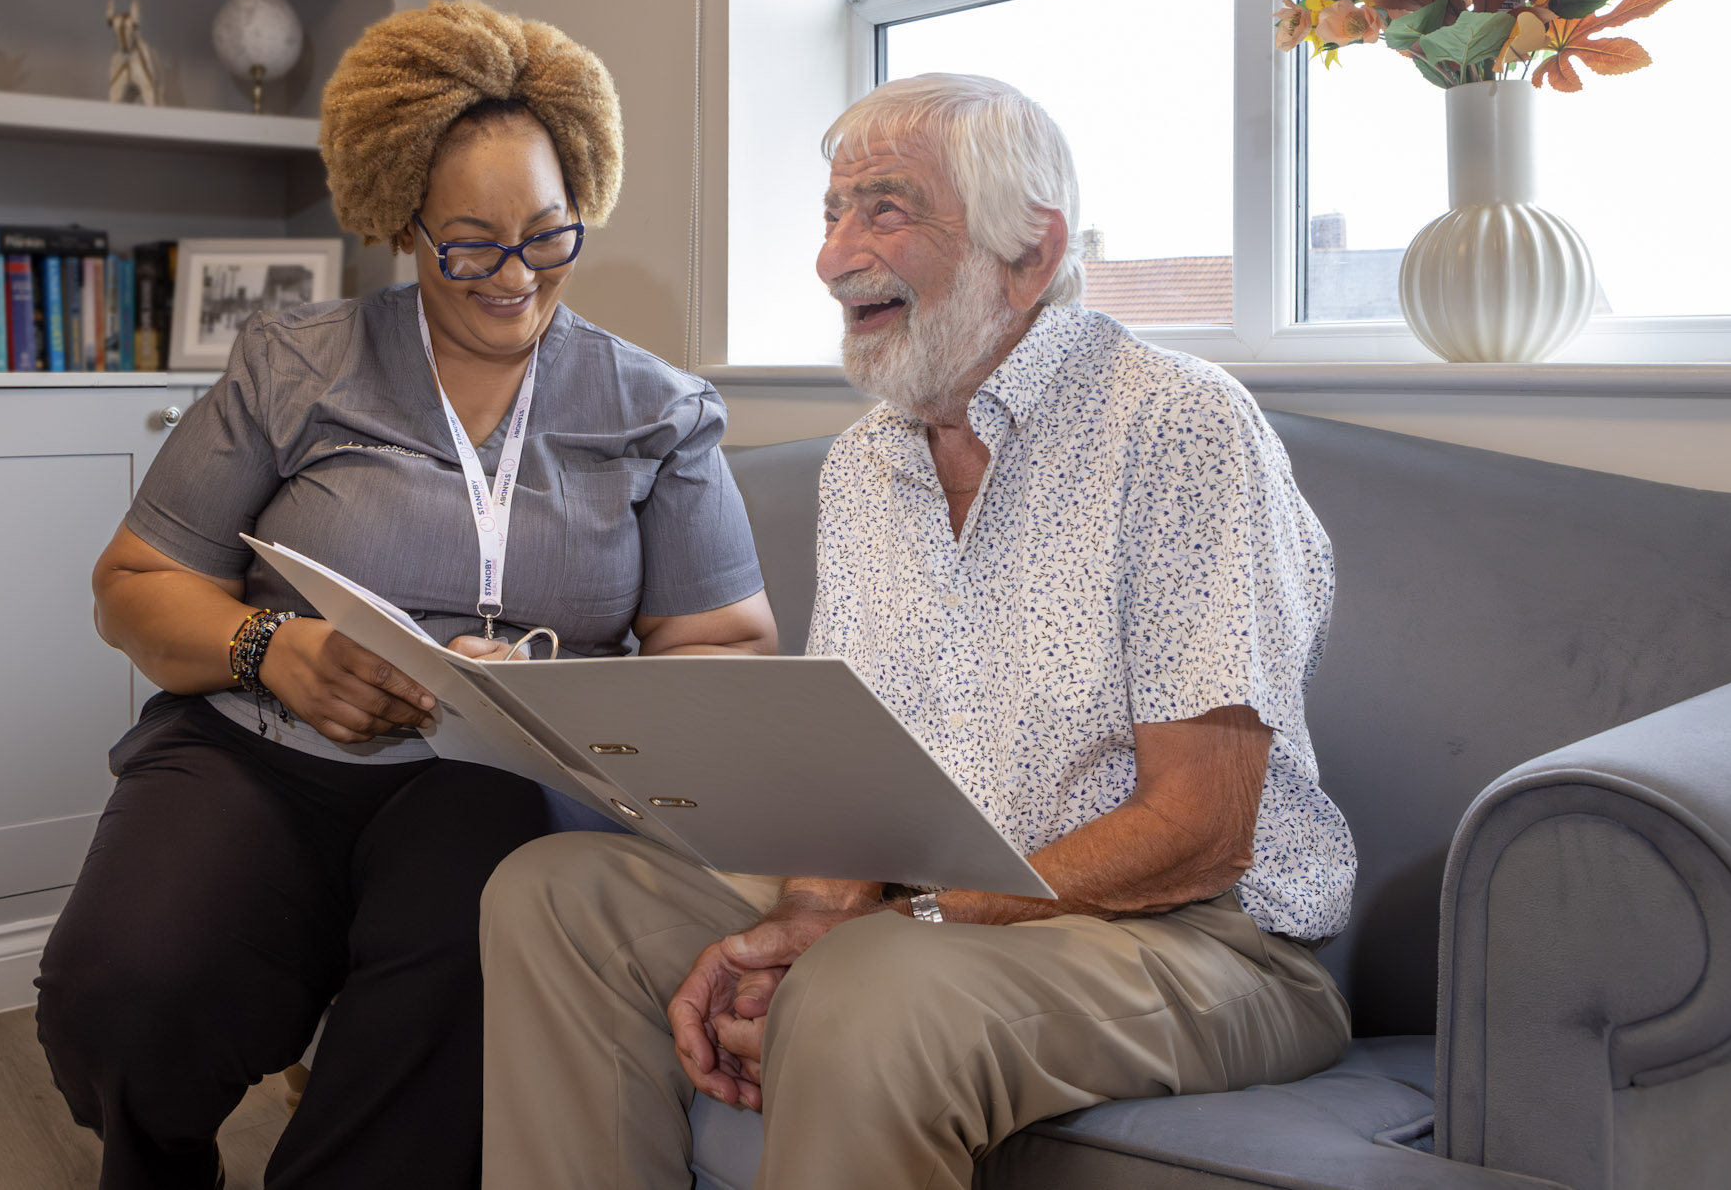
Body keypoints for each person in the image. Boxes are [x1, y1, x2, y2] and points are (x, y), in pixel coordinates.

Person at [478, 73, 1358, 1190]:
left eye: (883, 209)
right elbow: (858, 788)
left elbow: (1199, 827)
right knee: (554, 895)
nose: (832, 255)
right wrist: (804, 918)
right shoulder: (868, 463)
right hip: (933, 922)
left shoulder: (1180, 426)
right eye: (830, 214)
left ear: (1028, 254)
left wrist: (913, 922)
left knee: (872, 981)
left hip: (1200, 942)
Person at [34, 0, 776, 1190]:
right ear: (402, 224)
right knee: (119, 990)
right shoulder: (295, 364)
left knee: (456, 971)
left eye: (546, 236)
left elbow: (727, 646)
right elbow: (133, 585)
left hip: (491, 777)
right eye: (469, 244)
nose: (513, 278)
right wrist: (271, 644)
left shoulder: (658, 408)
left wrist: (571, 700)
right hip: (258, 746)